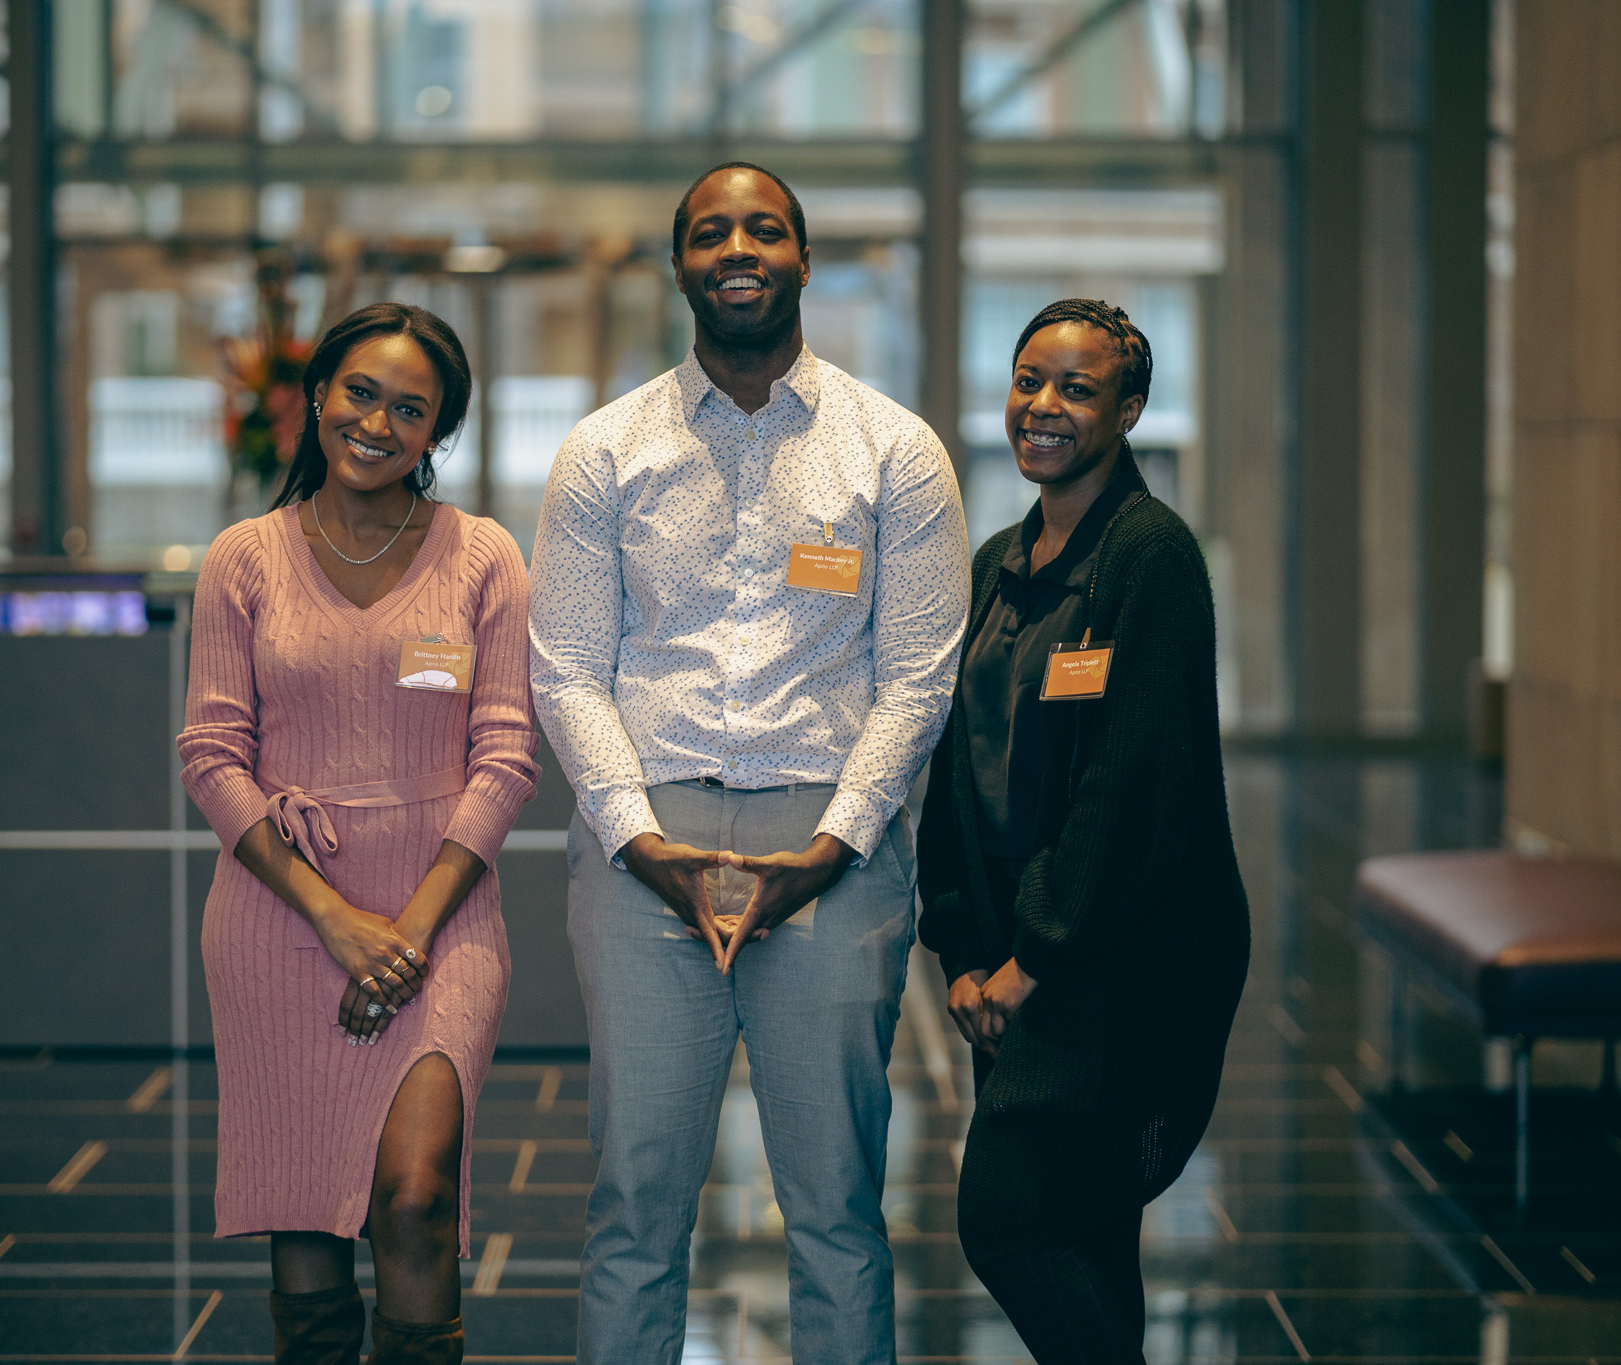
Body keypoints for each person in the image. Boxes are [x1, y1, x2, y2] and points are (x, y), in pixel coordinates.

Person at [529, 162, 968, 1363]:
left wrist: (832, 846)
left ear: (802, 260)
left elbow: (919, 678)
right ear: (678, 264)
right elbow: (564, 671)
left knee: (836, 1208)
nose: (738, 250)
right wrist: (639, 841)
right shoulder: (603, 450)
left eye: (763, 230)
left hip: (832, 848)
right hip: (641, 849)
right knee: (633, 1204)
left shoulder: (894, 451)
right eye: (711, 233)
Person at [178, 302, 540, 1365]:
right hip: (282, 917)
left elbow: (507, 755)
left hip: (442, 917)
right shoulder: (243, 558)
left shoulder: (483, 556)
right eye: (361, 394)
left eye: (410, 409)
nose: (378, 423)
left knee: (415, 1196)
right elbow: (211, 755)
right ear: (318, 395)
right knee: (304, 1222)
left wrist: (408, 933)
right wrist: (336, 921)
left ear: (438, 433)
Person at [916, 299, 1249, 1362]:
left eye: (1077, 388)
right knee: (1088, 1229)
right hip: (1010, 950)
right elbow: (953, 768)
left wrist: (1036, 959)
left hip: (1115, 956)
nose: (1042, 406)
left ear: (1129, 411)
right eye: (1028, 381)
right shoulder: (995, 563)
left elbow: (1131, 785)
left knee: (1007, 1219)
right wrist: (965, 953)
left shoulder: (1149, 555)